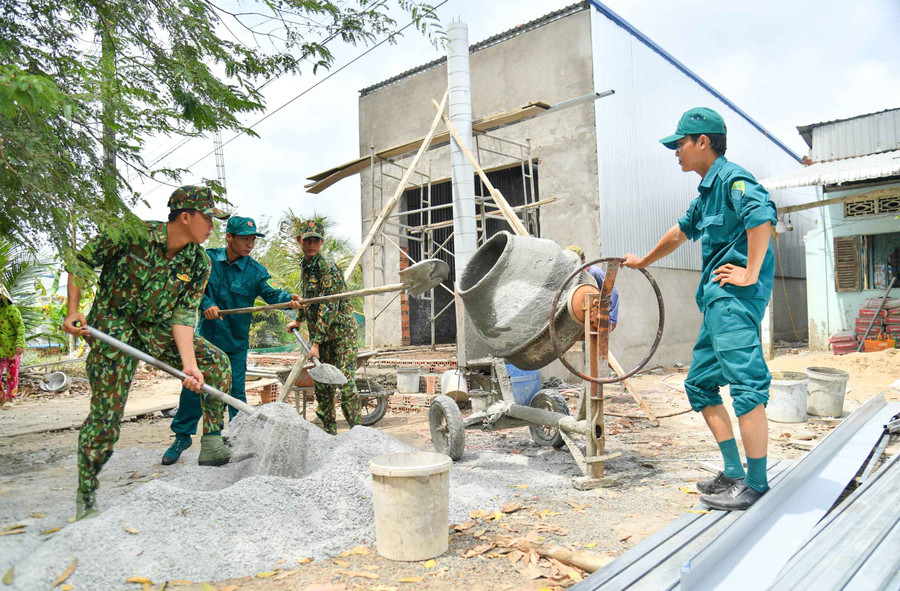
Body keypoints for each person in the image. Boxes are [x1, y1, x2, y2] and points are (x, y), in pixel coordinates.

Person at [622, 107, 777, 511]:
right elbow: (679, 233)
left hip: (733, 300)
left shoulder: (734, 180)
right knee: (700, 385)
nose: (676, 151)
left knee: (746, 388)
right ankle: (733, 473)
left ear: (702, 142)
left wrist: (750, 273)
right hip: (715, 302)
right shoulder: (707, 193)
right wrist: (643, 261)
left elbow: (762, 220)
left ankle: (756, 484)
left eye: (680, 144)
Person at [63, 185, 234, 520]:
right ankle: (86, 493)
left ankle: (212, 442)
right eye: (209, 218)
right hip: (114, 328)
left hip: (157, 329)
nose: (214, 226)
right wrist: (73, 309)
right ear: (186, 217)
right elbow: (81, 261)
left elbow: (184, 315)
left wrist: (189, 366)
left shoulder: (199, 262)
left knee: (214, 362)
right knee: (106, 418)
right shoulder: (131, 235)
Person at [162, 216, 303, 465]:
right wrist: (207, 304)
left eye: (252, 240)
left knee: (236, 392)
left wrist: (287, 298)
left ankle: (237, 438)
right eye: (244, 239)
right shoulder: (207, 260)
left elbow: (271, 293)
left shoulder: (256, 271)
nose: (249, 244)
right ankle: (182, 437)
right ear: (229, 238)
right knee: (194, 388)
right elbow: (195, 288)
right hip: (207, 341)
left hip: (235, 344)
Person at [285, 220, 360, 435]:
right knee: (323, 385)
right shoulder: (305, 264)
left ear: (321, 242)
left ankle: (359, 434)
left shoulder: (326, 266)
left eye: (315, 240)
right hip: (323, 333)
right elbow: (308, 297)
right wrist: (298, 319)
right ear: (300, 241)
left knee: (345, 382)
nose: (311, 244)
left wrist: (315, 342)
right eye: (307, 240)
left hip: (341, 334)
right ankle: (329, 433)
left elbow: (328, 306)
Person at [565, 245, 619, 331]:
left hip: (596, 317)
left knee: (596, 342)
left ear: (584, 259)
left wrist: (612, 319)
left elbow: (613, 293)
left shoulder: (595, 272)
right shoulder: (572, 277)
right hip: (582, 318)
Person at [0, 285, 24, 406]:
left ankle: (10, 398)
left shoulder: (11, 309)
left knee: (12, 375)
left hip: (12, 349)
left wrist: (19, 344)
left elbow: (20, 326)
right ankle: (1, 398)